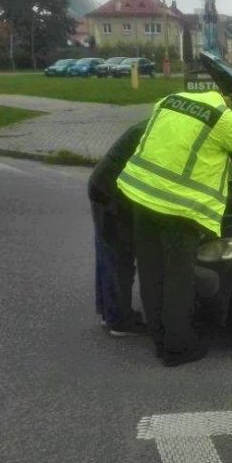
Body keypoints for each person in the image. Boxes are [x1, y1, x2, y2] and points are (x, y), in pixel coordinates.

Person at [117, 90, 232, 367]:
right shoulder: (222, 117)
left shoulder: (168, 99)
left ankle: (160, 340)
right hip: (179, 207)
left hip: (140, 194)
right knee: (178, 278)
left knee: (152, 272)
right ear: (228, 102)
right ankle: (179, 348)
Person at [89, 121, 148, 336]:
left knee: (107, 257)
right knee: (119, 260)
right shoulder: (158, 131)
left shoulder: (154, 122)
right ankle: (120, 322)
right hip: (112, 195)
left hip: (101, 186)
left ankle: (109, 313)